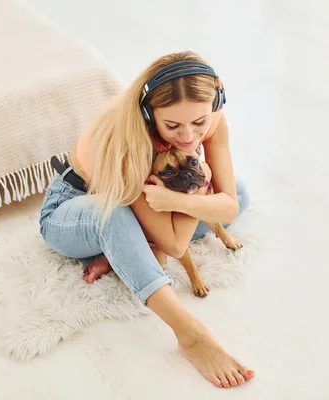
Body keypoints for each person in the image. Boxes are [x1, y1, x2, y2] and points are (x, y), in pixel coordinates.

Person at [39, 51, 254, 389]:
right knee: (115, 215)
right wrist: (200, 188)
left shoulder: (212, 120)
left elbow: (229, 206)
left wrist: (178, 196)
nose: (188, 137)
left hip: (153, 197)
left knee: (239, 192)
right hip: (74, 209)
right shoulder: (126, 141)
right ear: (148, 112)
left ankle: (126, 251)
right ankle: (191, 335)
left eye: (199, 123)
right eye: (172, 126)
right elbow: (174, 244)